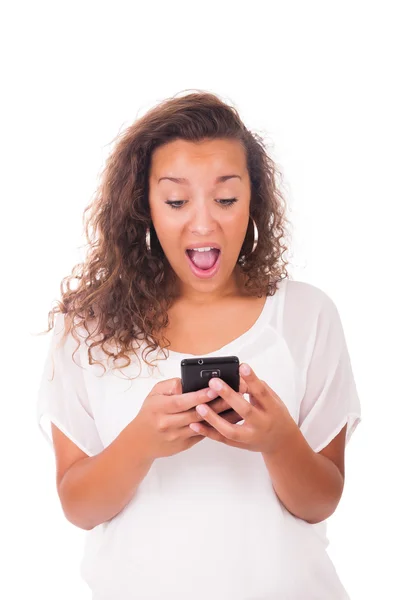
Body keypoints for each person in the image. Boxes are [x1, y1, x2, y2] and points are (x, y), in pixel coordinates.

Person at [36, 91, 362, 600]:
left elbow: (320, 502)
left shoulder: (306, 315)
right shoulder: (88, 329)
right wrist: (140, 442)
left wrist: (278, 441)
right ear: (144, 206)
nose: (204, 223)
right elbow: (78, 507)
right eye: (176, 200)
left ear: (254, 201)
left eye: (226, 199)